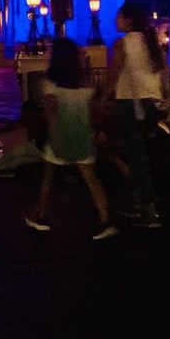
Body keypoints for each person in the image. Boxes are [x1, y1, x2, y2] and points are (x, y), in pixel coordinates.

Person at [24, 37, 118, 241]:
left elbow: (51, 114)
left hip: (60, 137)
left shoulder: (50, 84)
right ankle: (105, 219)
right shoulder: (85, 84)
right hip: (83, 136)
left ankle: (41, 215)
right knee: (92, 180)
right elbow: (93, 113)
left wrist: (53, 134)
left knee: (48, 179)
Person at [101, 2, 168, 230]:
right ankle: (139, 199)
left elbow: (113, 74)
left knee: (135, 154)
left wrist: (100, 99)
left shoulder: (122, 44)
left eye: (118, 16)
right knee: (138, 152)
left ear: (128, 20)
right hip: (152, 103)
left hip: (132, 103)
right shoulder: (151, 43)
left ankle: (147, 208)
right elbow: (164, 73)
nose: (115, 20)